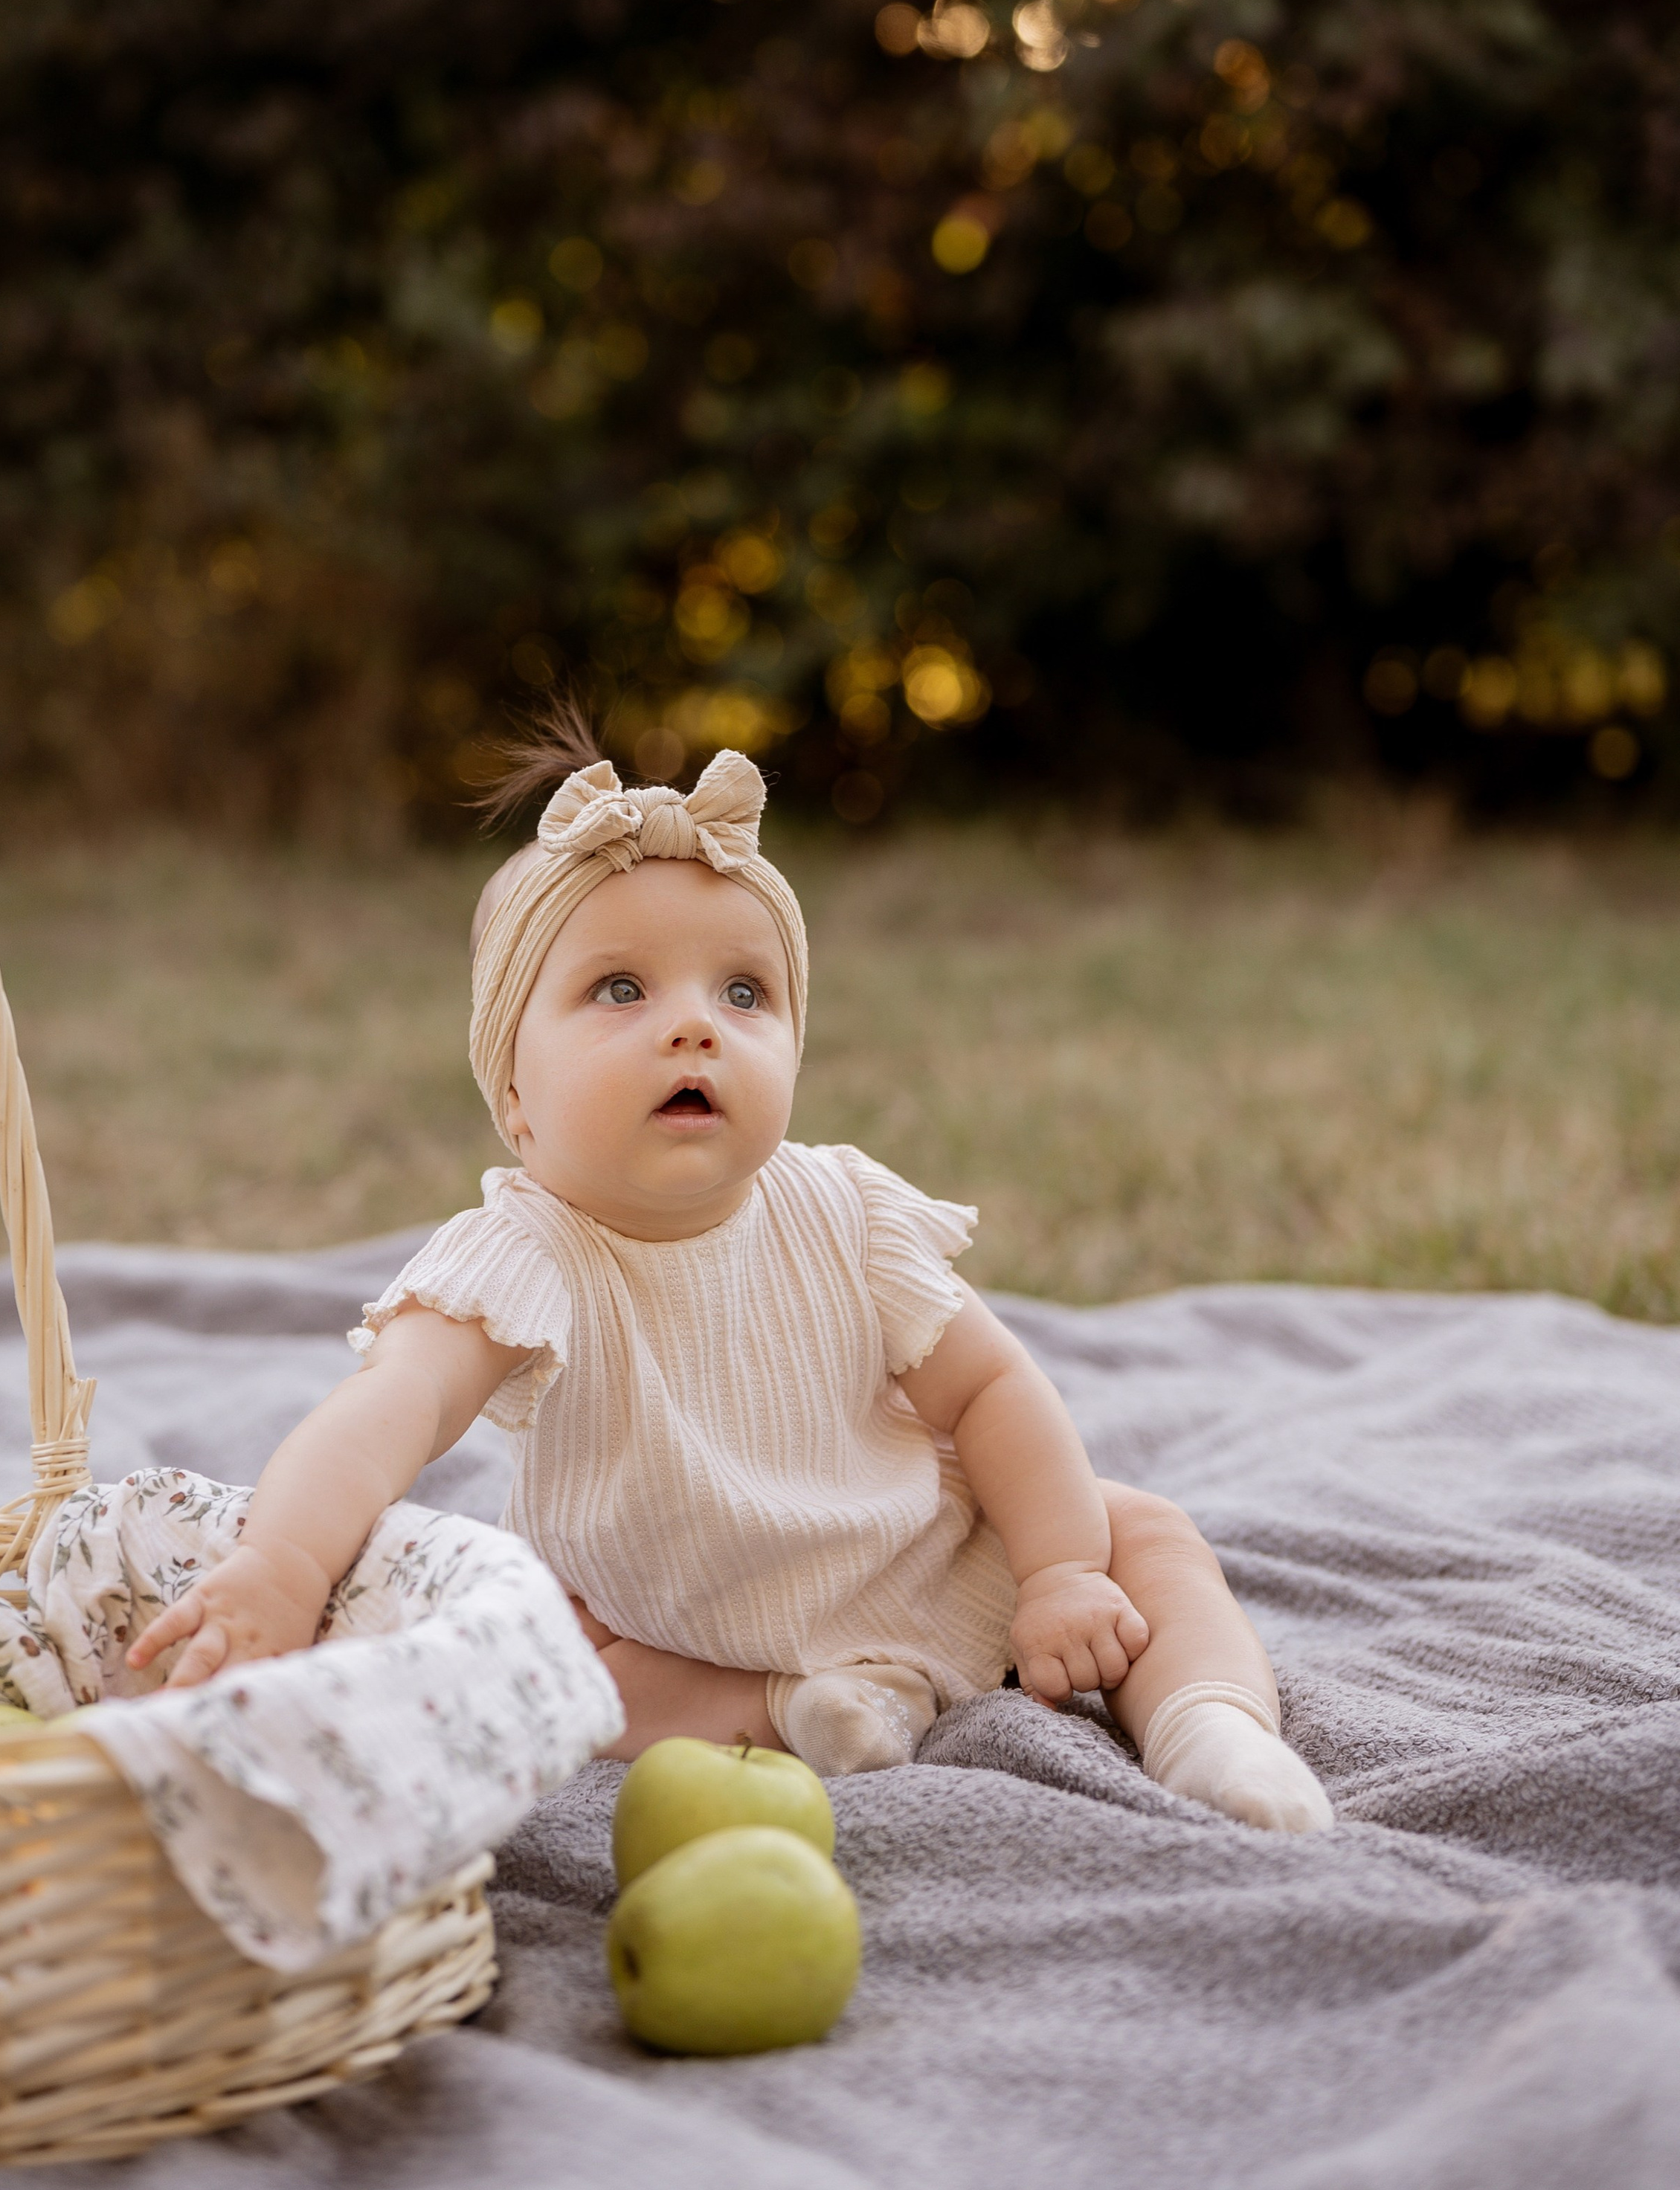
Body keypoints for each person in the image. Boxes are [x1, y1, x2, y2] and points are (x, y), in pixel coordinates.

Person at [130, 719, 1333, 1832]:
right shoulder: (527, 1253)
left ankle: (1210, 1729)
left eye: (743, 992)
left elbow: (989, 1392)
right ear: (514, 1101)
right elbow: (385, 1414)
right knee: (547, 1663)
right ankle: (808, 1709)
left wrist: (1065, 1570)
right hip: (669, 1618)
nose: (694, 1024)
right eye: (621, 989)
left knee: (1147, 1535)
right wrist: (281, 1569)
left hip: (913, 1555)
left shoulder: (845, 1210)